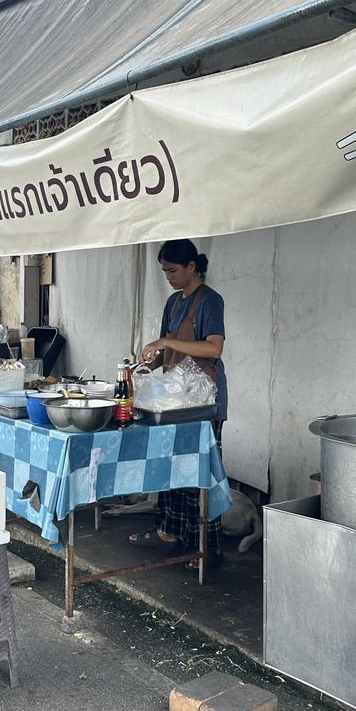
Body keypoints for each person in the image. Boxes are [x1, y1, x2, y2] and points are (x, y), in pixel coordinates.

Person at [128, 239, 227, 569]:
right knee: (169, 466)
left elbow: (214, 348)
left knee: (198, 471)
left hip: (202, 399)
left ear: (191, 267)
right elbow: (163, 355)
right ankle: (169, 531)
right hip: (174, 398)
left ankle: (206, 548)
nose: (168, 276)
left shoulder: (210, 301)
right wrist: (140, 366)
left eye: (172, 270)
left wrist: (166, 341)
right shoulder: (173, 303)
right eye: (164, 271)